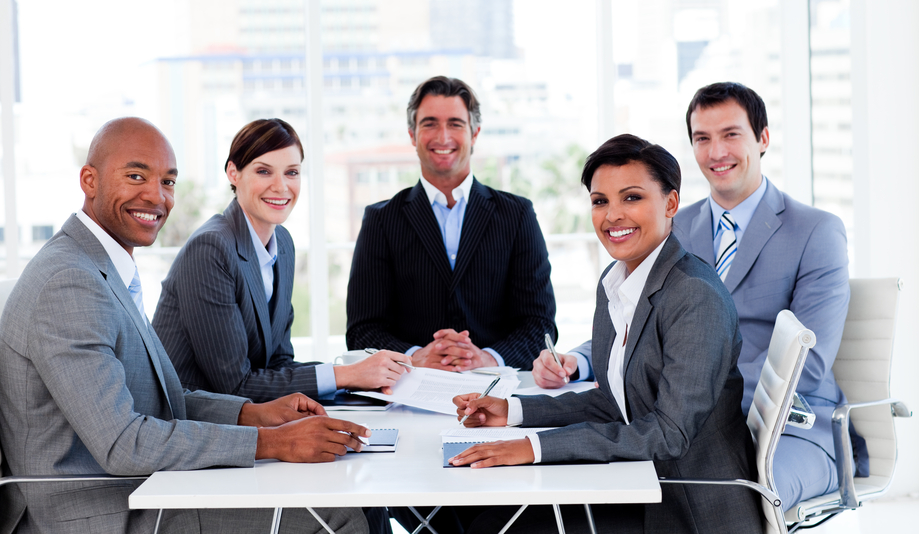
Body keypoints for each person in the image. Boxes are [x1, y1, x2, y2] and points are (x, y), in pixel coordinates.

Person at [0, 117, 368, 533]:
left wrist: (253, 415)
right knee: (338, 515)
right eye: (136, 176)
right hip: (96, 509)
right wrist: (274, 442)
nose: (156, 196)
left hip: (139, 486)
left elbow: (156, 403)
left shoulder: (101, 268)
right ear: (89, 180)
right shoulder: (70, 283)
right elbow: (123, 442)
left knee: (350, 499)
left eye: (168, 182)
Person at [534, 82, 861, 511]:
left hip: (789, 429)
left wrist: (693, 394)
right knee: (612, 487)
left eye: (730, 134)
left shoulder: (816, 231)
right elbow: (634, 320)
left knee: (720, 496)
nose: (715, 152)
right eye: (702, 139)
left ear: (762, 139)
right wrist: (582, 361)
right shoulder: (666, 222)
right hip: (685, 419)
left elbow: (809, 364)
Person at [450, 134, 762, 533]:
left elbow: (669, 434)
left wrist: (533, 448)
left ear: (670, 203)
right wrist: (513, 410)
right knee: (477, 514)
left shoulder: (694, 296)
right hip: (640, 483)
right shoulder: (616, 282)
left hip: (686, 505)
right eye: (601, 201)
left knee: (496, 524)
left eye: (631, 197)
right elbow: (616, 402)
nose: (613, 215)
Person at [153, 118, 411, 403]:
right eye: (264, 171)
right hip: (193, 421)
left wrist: (360, 380)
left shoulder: (283, 244)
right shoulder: (211, 248)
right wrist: (346, 375)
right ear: (233, 173)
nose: (281, 186)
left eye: (292, 173)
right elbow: (235, 386)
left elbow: (278, 364)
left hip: (253, 416)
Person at [346, 75, 557, 372]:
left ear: (474, 133)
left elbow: (540, 325)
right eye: (429, 123)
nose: (442, 136)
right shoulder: (381, 220)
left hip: (497, 391)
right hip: (409, 390)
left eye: (455, 124)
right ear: (412, 134)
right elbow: (361, 330)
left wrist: (487, 358)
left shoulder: (517, 215)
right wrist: (414, 357)